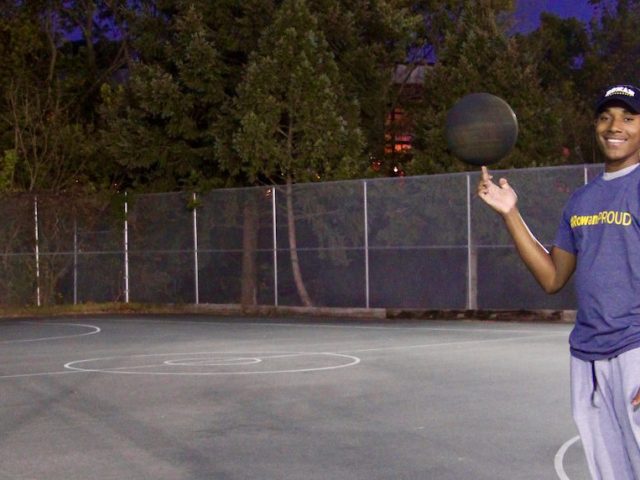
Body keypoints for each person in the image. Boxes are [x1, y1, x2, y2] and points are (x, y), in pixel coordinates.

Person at [478, 84, 640, 480]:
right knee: (610, 471)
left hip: (635, 348)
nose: (614, 126)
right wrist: (510, 213)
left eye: (629, 118)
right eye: (605, 117)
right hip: (586, 353)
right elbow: (552, 277)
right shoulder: (581, 201)